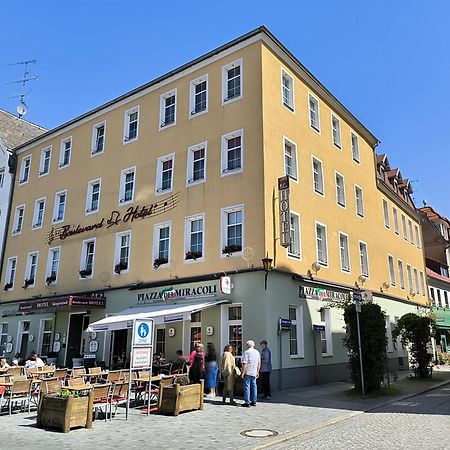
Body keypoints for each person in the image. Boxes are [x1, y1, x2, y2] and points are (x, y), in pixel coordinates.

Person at [241, 340, 260, 407]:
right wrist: (258, 371)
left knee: (247, 386)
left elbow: (245, 363)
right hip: (254, 371)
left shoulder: (246, 352)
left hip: (248, 371)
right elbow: (258, 363)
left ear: (247, 345)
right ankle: (254, 401)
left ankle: (247, 401)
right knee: (254, 386)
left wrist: (243, 372)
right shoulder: (257, 352)